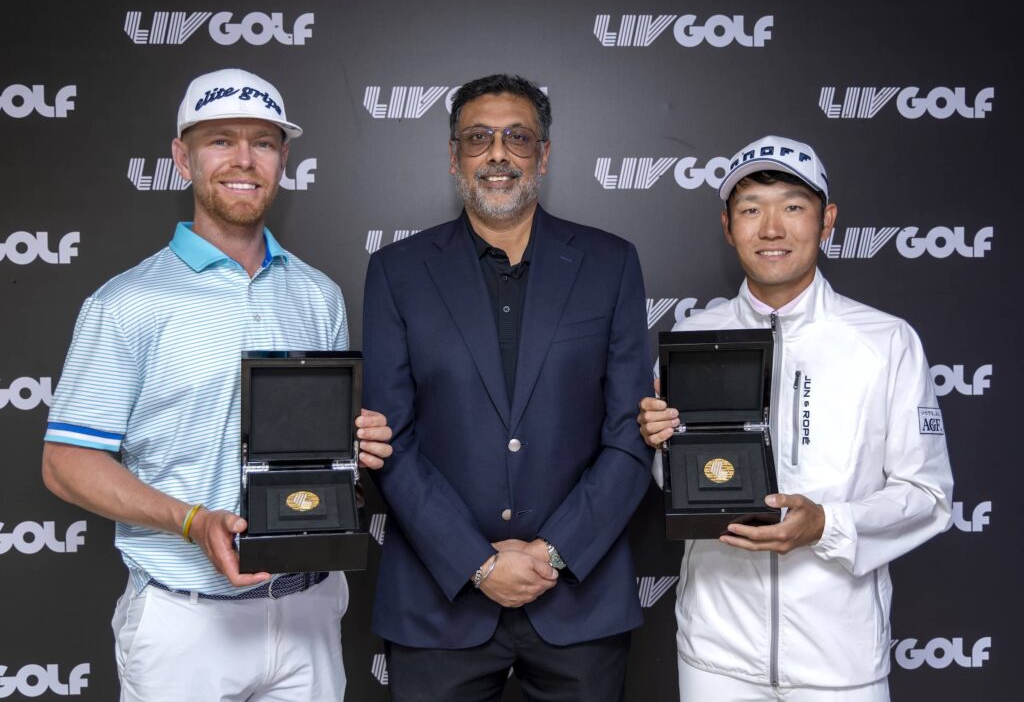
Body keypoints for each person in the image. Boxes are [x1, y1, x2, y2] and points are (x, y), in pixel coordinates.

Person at [40, 68, 392, 701]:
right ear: (182, 158)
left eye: (262, 141)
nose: (243, 159)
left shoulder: (319, 293)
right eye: (220, 140)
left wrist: (354, 445)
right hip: (187, 620)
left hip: (310, 610)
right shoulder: (126, 302)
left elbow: (318, 453)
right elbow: (65, 462)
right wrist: (192, 520)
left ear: (283, 160)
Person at [362, 74, 653, 701]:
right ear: (454, 156)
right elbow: (389, 442)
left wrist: (553, 553)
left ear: (543, 155)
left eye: (517, 138)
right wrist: (478, 561)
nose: (498, 154)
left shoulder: (611, 264)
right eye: (478, 138)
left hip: (580, 599)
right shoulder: (396, 273)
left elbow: (631, 434)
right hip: (439, 602)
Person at [638, 135, 953, 700]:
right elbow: (679, 487)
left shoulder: (885, 340)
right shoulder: (690, 337)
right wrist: (660, 447)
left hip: (840, 660)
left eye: (793, 206)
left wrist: (826, 525)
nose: (772, 228)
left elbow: (927, 496)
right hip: (716, 653)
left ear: (827, 220)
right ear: (728, 225)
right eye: (751, 209)